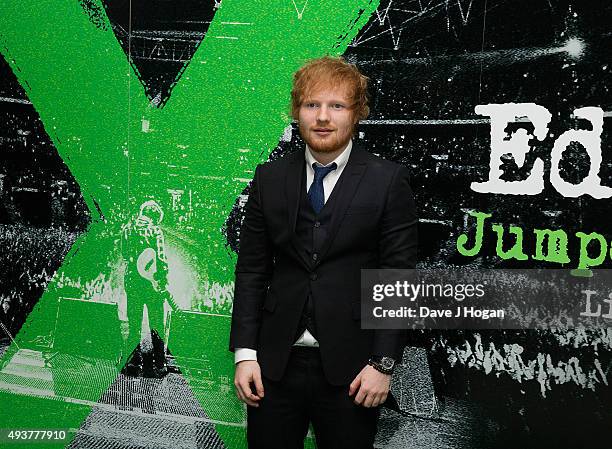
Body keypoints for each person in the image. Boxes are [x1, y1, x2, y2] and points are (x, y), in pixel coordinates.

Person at [230, 56, 417, 449]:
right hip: (273, 367)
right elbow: (251, 271)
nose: (323, 117)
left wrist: (383, 365)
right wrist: (245, 354)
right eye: (311, 104)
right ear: (297, 112)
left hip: (354, 371)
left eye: (337, 105)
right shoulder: (269, 178)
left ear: (357, 113)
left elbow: (398, 277)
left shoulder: (388, 180)